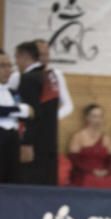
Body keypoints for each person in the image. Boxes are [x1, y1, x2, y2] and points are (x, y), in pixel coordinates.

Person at [14, 41, 59, 185]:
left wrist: (26, 142)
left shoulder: (28, 79)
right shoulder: (50, 76)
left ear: (24, 57)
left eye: (17, 58)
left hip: (34, 145)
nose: (17, 63)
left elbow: (31, 113)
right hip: (50, 141)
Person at [67, 103, 111, 189]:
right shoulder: (78, 137)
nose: (98, 120)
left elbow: (110, 160)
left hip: (103, 173)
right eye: (94, 116)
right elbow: (74, 160)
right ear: (87, 118)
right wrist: (92, 171)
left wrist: (105, 171)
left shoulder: (106, 138)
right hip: (84, 173)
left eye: (100, 116)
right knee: (91, 181)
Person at [0, 49, 28, 183]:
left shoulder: (13, 92)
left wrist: (24, 142)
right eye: (2, 66)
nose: (7, 70)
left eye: (9, 65)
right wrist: (18, 109)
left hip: (13, 141)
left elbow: (23, 116)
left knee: (13, 181)